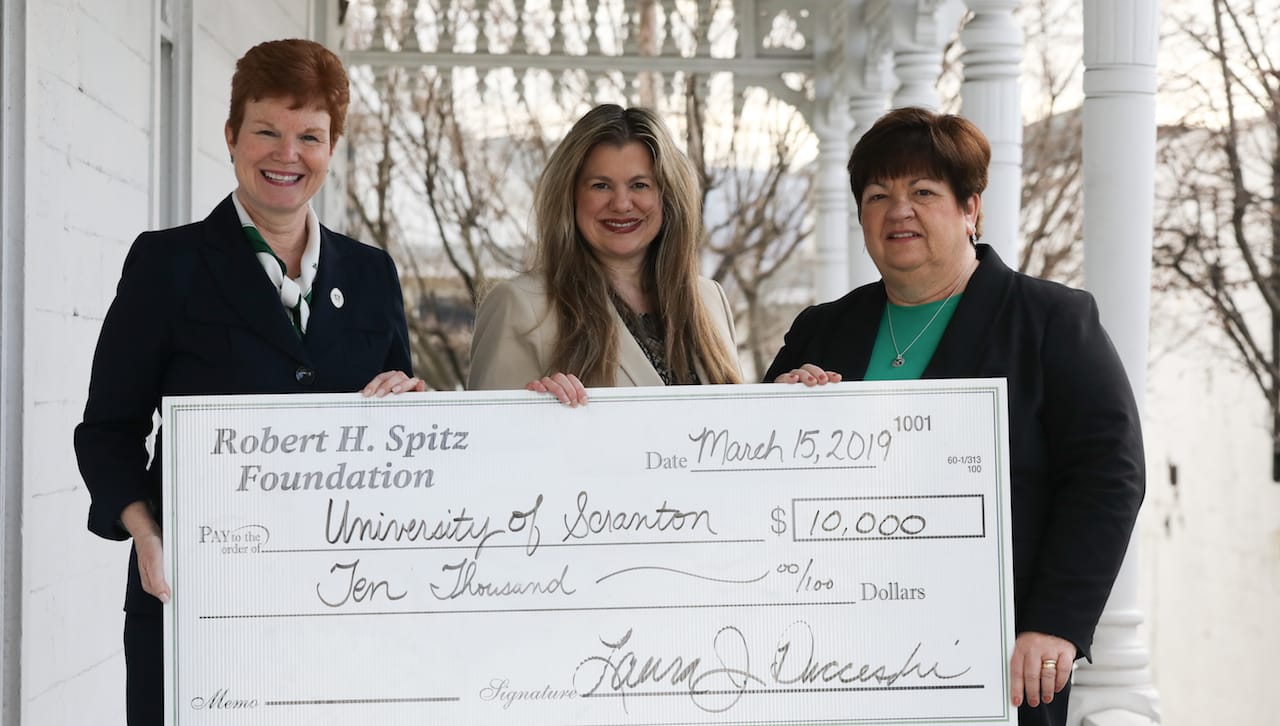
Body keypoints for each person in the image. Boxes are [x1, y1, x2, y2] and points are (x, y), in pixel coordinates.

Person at [74, 38, 425, 726]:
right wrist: (145, 531)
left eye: (309, 136)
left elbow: (399, 426)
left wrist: (408, 410)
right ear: (232, 136)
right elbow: (109, 430)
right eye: (266, 130)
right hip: (197, 600)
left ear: (332, 146)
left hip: (340, 610)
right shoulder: (166, 265)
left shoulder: (372, 275)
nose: (286, 154)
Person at [764, 106, 1144, 725]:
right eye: (878, 195)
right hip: (832, 656)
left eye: (923, 192)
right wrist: (777, 410)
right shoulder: (824, 329)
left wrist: (1056, 625)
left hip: (994, 657)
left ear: (971, 209)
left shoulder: (1051, 321)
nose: (898, 211)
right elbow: (756, 482)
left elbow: (1110, 478)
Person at [468, 104, 742, 400]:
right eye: (600, 186)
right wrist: (542, 414)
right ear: (570, 196)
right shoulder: (519, 306)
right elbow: (490, 440)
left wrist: (787, 397)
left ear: (667, 197)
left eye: (640, 185)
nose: (622, 204)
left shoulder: (709, 299)